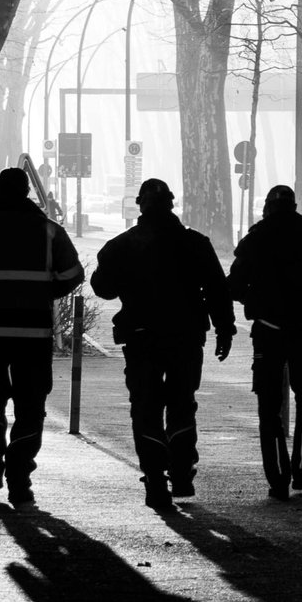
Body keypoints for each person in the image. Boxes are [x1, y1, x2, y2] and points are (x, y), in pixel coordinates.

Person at [90, 178, 236, 512]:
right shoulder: (195, 243)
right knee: (182, 402)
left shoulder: (121, 245)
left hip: (141, 338)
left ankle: (155, 481)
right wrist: (225, 330)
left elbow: (102, 288)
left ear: (140, 205)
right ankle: (182, 473)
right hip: (185, 338)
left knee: (146, 406)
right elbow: (217, 289)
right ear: (172, 204)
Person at [0, 166, 85, 505]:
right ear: (27, 194)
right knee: (30, 408)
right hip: (33, 338)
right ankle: (19, 479)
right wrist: (42, 293)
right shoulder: (50, 231)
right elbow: (73, 274)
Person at [228, 184, 302, 500]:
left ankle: (278, 477)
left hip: (267, 331)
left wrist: (249, 298)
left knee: (269, 406)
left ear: (267, 207)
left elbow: (234, 284)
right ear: (295, 207)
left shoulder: (255, 239)